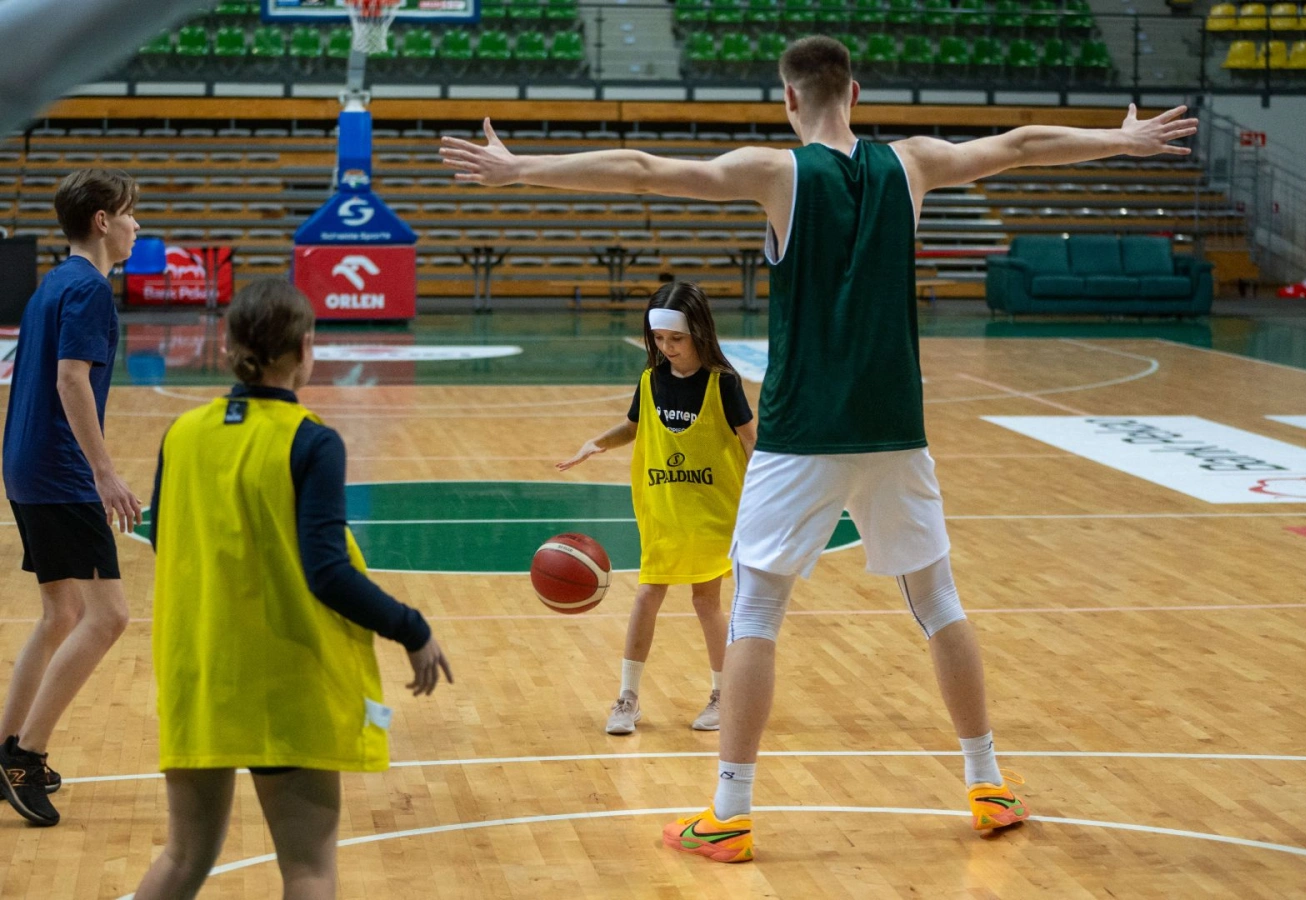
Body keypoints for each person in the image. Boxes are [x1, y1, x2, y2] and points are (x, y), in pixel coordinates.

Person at [439, 36, 1198, 862]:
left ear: (790, 99)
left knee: (756, 614)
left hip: (802, 435)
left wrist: (520, 170)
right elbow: (1019, 145)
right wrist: (1121, 140)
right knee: (939, 604)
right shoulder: (912, 164)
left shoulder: (777, 173)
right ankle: (989, 784)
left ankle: (730, 812)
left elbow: (643, 169)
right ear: (855, 92)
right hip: (895, 430)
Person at [131, 279, 452, 899]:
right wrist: (411, 628)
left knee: (183, 858)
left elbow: (165, 541)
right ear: (306, 347)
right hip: (285, 679)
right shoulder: (311, 439)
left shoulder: (182, 432)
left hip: (201, 671)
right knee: (308, 870)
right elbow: (327, 572)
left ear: (228, 345)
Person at [0, 168, 143, 827]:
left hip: (26, 465)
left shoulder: (53, 283)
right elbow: (69, 380)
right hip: (59, 472)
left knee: (61, 613)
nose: (138, 224)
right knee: (108, 617)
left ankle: (5, 745)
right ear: (103, 221)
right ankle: (25, 757)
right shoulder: (87, 288)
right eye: (130, 213)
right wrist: (104, 473)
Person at [557, 282, 755, 735]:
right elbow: (633, 425)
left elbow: (750, 440)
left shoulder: (723, 383)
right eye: (660, 339)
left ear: (699, 333)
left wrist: (764, 498)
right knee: (647, 595)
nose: (667, 348)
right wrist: (597, 443)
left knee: (705, 600)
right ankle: (627, 698)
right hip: (662, 507)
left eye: (676, 339)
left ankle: (723, 694)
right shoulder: (651, 379)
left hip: (713, 512)